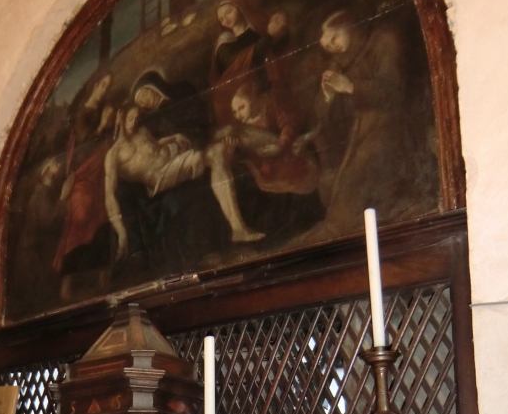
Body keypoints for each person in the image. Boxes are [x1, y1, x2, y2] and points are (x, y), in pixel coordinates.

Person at [104, 105, 264, 259]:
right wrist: (121, 234)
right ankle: (238, 229)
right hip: (161, 177)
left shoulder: (142, 132)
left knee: (225, 137)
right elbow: (109, 195)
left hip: (175, 159)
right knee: (216, 153)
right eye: (130, 118)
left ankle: (275, 145)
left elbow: (154, 147)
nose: (134, 122)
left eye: (136, 118)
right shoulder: (114, 155)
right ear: (121, 118)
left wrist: (172, 138)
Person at [314, 8, 409, 227]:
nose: (333, 47)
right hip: (360, 129)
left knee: (355, 182)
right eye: (328, 46)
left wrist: (351, 87)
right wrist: (327, 96)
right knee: (341, 187)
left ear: (349, 28)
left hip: (391, 123)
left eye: (335, 38)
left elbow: (393, 90)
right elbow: (322, 112)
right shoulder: (340, 60)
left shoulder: (383, 41)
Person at [52, 73, 115, 272]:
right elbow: (83, 145)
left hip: (100, 172)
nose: (105, 89)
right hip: (83, 172)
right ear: (95, 85)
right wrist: (103, 124)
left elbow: (109, 142)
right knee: (81, 216)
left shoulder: (104, 111)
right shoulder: (82, 114)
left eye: (108, 86)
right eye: (103, 84)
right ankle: (68, 274)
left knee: (102, 215)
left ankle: (98, 270)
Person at [220, 83, 319, 196]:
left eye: (241, 107)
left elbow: (289, 125)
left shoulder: (270, 105)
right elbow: (243, 153)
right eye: (234, 112)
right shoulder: (239, 128)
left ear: (252, 99)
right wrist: (232, 149)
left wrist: (279, 145)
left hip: (285, 154)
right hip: (264, 165)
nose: (238, 115)